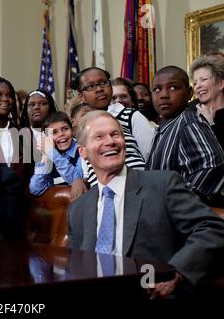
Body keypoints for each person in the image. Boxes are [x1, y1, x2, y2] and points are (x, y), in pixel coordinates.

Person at [68, 110, 224, 298]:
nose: (110, 141)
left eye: (115, 134)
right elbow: (78, 267)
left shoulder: (162, 185)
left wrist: (176, 271)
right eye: (99, 137)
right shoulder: (77, 210)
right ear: (82, 151)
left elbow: (212, 227)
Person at [146, 66, 224, 207]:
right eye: (157, 89)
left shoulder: (188, 122)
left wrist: (177, 200)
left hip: (184, 219)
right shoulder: (166, 125)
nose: (164, 95)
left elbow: (211, 164)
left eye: (173, 88)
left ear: (189, 93)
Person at [72, 67, 154, 160]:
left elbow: (151, 156)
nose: (99, 89)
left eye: (103, 83)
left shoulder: (131, 116)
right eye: (90, 86)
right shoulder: (83, 127)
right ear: (81, 97)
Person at [29, 112, 83, 196]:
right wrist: (46, 156)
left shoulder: (81, 150)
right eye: (54, 132)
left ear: (72, 130)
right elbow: (35, 189)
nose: (61, 134)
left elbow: (77, 182)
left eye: (65, 129)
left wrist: (53, 154)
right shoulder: (49, 154)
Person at [189, 55, 224, 150]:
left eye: (204, 80)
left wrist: (210, 124)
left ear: (221, 84)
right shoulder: (189, 111)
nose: (198, 86)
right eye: (195, 83)